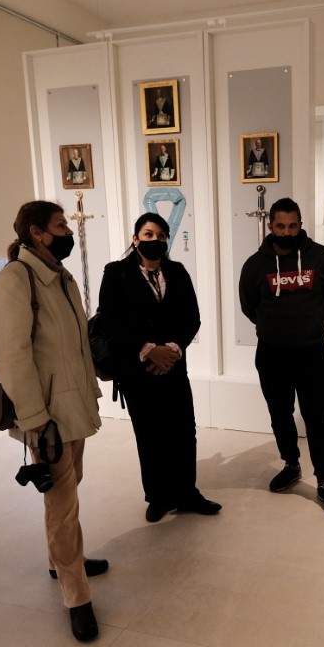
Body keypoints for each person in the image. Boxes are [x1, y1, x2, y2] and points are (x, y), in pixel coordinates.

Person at [0, 200, 105, 642]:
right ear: (37, 233)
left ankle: (62, 561)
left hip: (73, 406)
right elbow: (13, 356)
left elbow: (75, 346)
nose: (68, 232)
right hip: (48, 416)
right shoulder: (16, 279)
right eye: (61, 225)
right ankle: (77, 595)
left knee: (66, 494)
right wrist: (35, 419)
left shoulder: (60, 276)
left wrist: (91, 391)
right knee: (63, 504)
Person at [98, 212, 220, 523]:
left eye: (162, 236)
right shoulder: (116, 273)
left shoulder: (177, 271)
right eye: (149, 234)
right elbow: (111, 321)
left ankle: (187, 492)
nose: (156, 240)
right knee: (150, 433)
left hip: (174, 366)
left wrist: (173, 350)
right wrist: (149, 350)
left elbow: (192, 317)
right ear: (135, 239)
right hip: (137, 371)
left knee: (184, 430)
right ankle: (157, 496)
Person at [238, 197, 324, 516]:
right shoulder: (255, 265)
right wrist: (274, 327)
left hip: (312, 352)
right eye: (280, 226)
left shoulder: (322, 257)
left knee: (317, 417)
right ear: (270, 227)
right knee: (280, 415)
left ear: (301, 225)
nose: (287, 232)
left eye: (292, 226)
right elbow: (248, 306)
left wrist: (312, 323)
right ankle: (291, 464)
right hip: (272, 354)